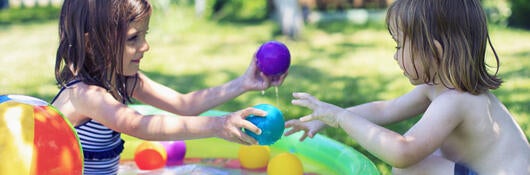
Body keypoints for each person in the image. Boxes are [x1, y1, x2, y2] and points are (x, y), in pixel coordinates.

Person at [284, 0, 530, 174]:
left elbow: (402, 152)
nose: (395, 56)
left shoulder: (455, 101)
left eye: (399, 46)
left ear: (434, 51)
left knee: (412, 167)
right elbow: (384, 111)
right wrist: (323, 119)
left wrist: (341, 118)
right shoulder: (440, 89)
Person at [51, 0, 287, 174]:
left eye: (145, 35)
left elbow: (185, 105)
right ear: (92, 44)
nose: (145, 46)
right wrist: (219, 125)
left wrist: (243, 83)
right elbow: (139, 124)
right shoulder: (84, 94)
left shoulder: (123, 80)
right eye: (133, 38)